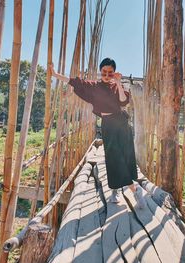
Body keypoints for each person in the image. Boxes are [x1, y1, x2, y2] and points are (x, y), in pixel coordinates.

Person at [49, 57, 146, 209]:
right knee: (113, 158)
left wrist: (119, 83)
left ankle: (118, 191)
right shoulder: (94, 86)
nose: (107, 76)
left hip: (122, 124)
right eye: (104, 72)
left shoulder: (117, 86)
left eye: (110, 73)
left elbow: (123, 101)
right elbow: (75, 82)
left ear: (114, 73)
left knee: (125, 156)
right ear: (100, 72)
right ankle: (133, 190)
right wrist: (55, 74)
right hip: (108, 125)